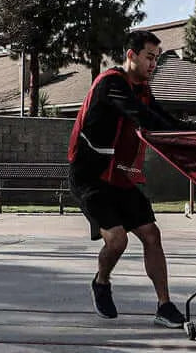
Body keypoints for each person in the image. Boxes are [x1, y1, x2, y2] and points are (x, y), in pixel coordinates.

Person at [67, 29, 188, 327]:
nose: (153, 64)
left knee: (151, 235)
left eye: (156, 59)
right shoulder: (111, 83)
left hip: (121, 177)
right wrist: (172, 131)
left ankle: (164, 306)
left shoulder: (143, 89)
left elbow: (163, 119)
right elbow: (142, 117)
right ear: (131, 55)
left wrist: (195, 134)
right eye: (149, 57)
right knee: (117, 240)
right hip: (91, 177)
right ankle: (102, 281)